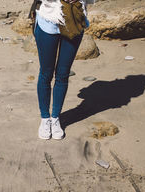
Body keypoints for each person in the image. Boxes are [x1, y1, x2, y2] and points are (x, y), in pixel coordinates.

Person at [33, 0, 94, 140]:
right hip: (48, 19)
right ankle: (44, 118)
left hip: (74, 20)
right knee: (46, 73)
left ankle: (55, 118)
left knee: (63, 74)